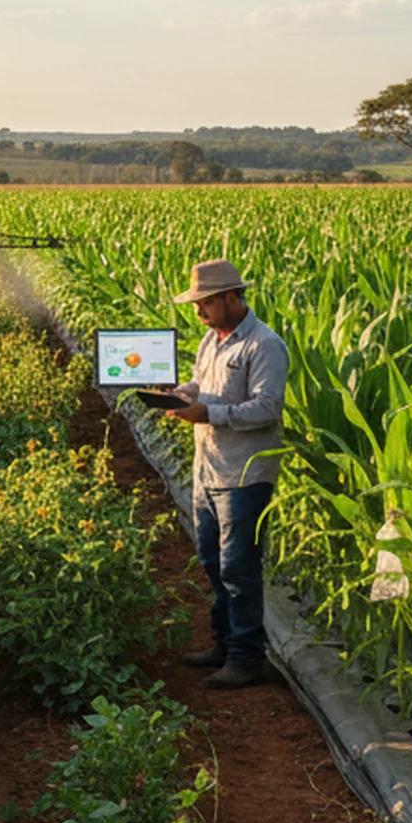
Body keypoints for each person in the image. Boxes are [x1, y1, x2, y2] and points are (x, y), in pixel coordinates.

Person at [160, 259, 289, 689]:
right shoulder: (211, 340)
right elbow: (202, 383)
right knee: (212, 560)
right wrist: (183, 394)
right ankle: (224, 642)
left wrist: (208, 413)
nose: (198, 312)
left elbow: (267, 407)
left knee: (239, 567)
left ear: (232, 297)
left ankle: (247, 657)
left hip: (245, 474)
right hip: (208, 469)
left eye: (206, 303)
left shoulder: (264, 345)